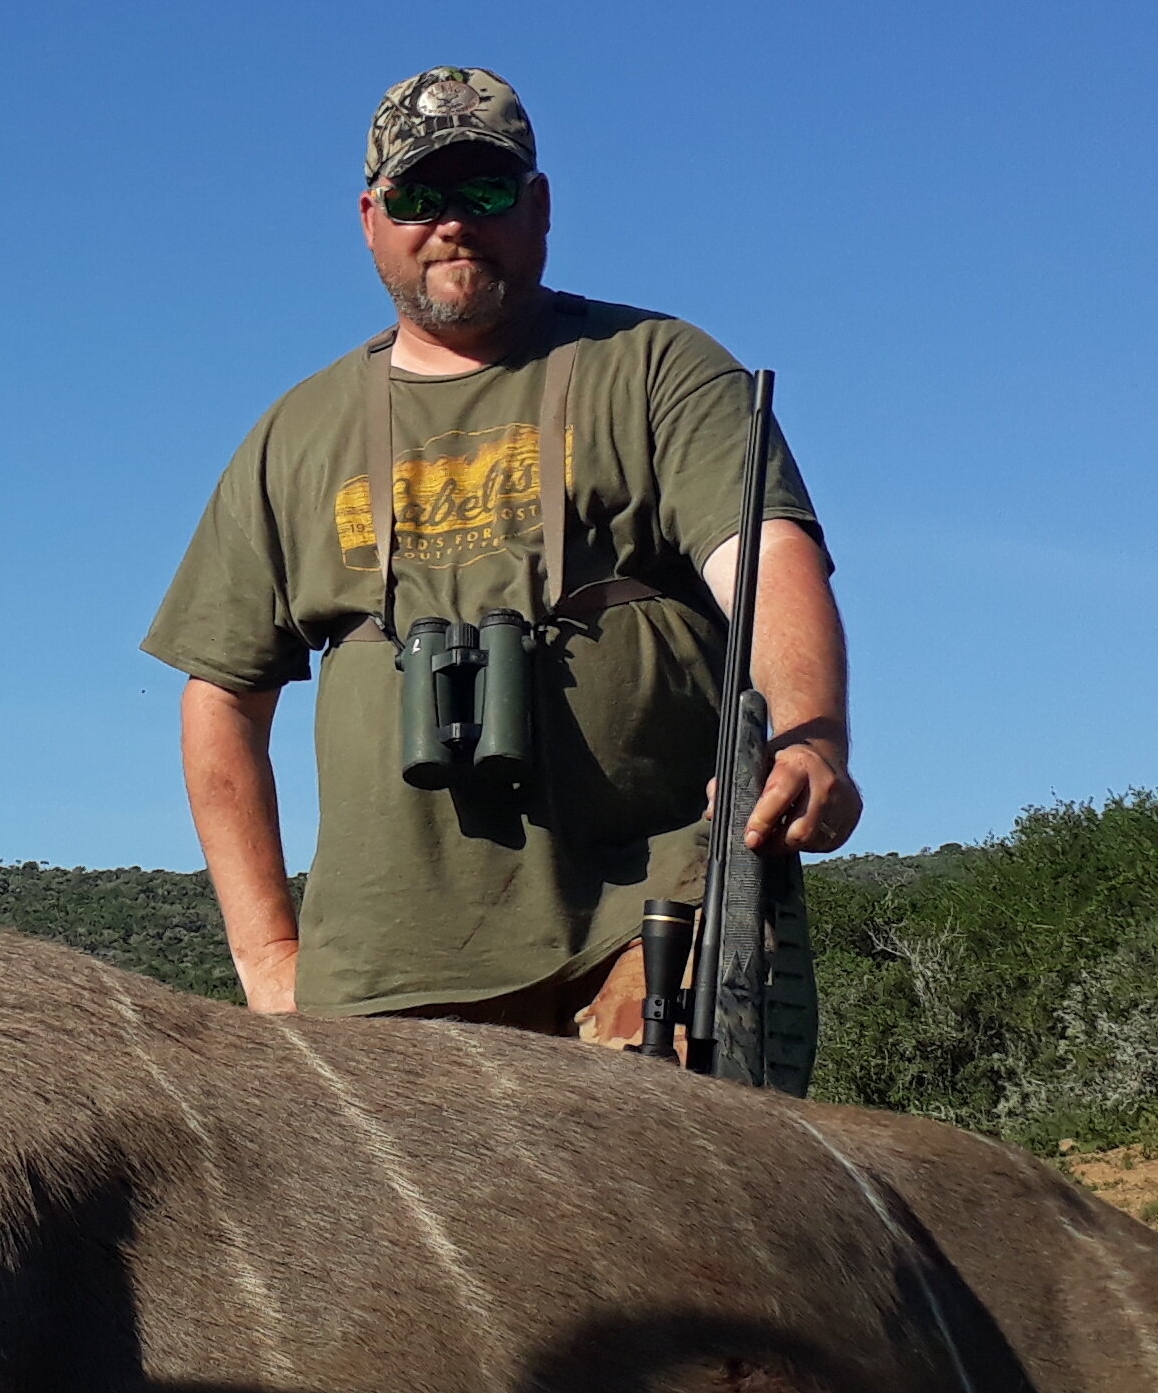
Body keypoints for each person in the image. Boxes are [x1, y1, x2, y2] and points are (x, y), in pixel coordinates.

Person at [143, 66, 857, 1046]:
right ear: (369, 217)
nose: (451, 221)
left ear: (539, 205)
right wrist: (267, 955)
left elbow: (768, 560)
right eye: (418, 196)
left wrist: (810, 734)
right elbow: (220, 694)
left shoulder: (655, 365)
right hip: (381, 988)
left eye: (483, 190)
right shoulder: (295, 434)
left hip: (648, 935)